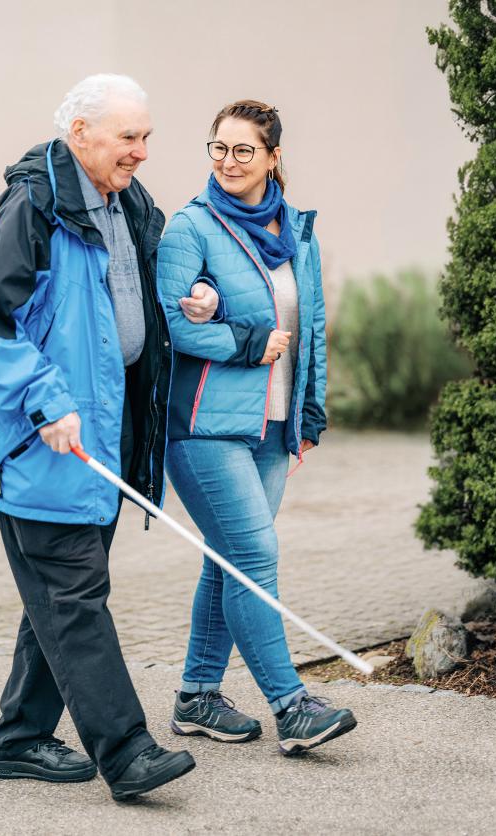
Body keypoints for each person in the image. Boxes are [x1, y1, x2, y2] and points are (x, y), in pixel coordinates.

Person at [0, 74, 219, 800]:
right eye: (128, 137)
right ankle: (127, 751)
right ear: (80, 135)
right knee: (74, 597)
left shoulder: (127, 203)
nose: (141, 151)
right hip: (41, 447)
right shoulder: (33, 206)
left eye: (146, 137)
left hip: (101, 445)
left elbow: (142, 290)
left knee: (60, 598)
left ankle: (19, 739)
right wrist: (45, 400)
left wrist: (194, 297)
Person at [155, 100, 357, 755]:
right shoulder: (192, 228)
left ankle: (197, 697)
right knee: (254, 558)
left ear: (272, 157)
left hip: (271, 430)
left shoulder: (297, 230)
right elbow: (174, 326)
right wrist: (243, 341)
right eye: (218, 147)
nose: (227, 161)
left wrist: (309, 413)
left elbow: (314, 330)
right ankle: (291, 707)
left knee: (228, 564)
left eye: (243, 150)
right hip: (204, 428)